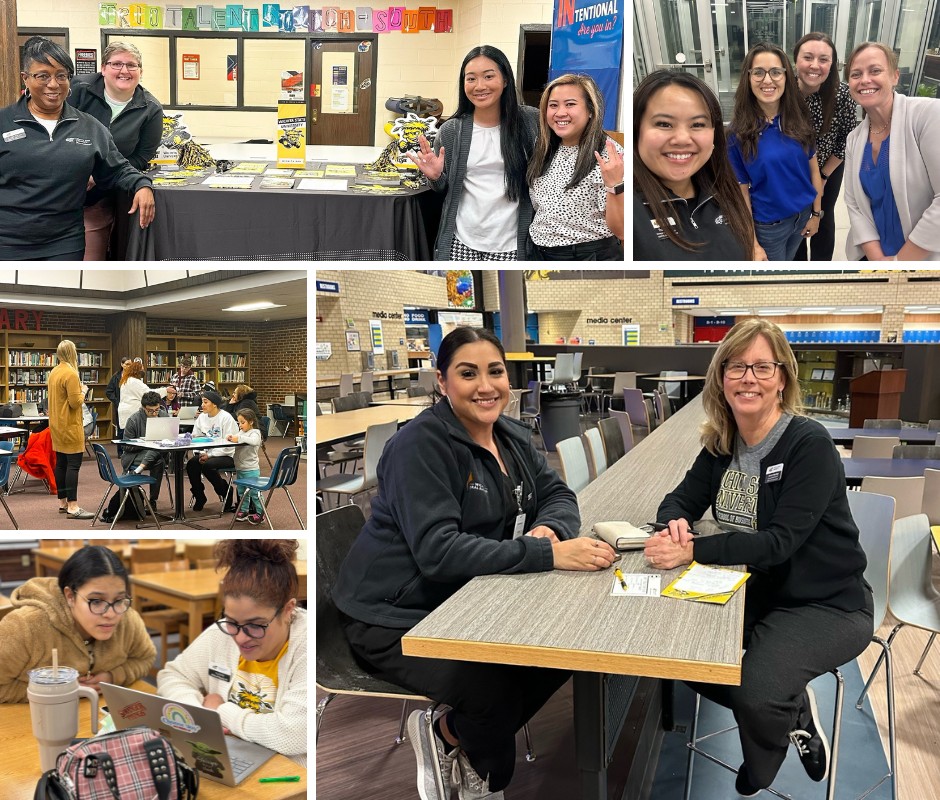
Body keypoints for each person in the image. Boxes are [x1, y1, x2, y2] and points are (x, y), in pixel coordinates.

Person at [333, 326, 617, 800]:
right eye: (468, 373)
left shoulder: (510, 434)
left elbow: (559, 495)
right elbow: (439, 551)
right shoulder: (419, 447)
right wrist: (545, 553)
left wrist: (550, 530)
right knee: (493, 690)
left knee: (563, 652)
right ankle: (474, 769)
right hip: (390, 615)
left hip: (459, 597)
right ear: (442, 382)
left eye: (495, 371)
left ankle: (453, 735)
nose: (486, 386)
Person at [644, 317, 873, 796]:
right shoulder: (722, 442)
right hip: (759, 591)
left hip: (826, 602)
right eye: (737, 367)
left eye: (762, 367)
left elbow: (778, 543)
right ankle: (792, 707)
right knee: (672, 653)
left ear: (782, 379)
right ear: (720, 377)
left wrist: (691, 551)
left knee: (756, 693)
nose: (748, 378)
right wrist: (675, 524)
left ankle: (773, 740)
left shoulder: (808, 444)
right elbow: (679, 500)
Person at [0, 37, 154, 260]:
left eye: (61, 76)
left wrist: (142, 185)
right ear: (26, 79)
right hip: (7, 242)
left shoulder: (90, 127)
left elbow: (118, 169)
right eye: (43, 76)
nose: (53, 84)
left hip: (64, 243)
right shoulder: (4, 122)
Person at [157, 539, 306, 766]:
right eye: (232, 622)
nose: (240, 637)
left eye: (255, 625)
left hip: (286, 770)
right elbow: (172, 676)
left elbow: (293, 734)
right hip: (228, 759)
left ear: (288, 610)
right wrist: (199, 714)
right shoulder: (222, 635)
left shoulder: (305, 645)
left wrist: (220, 712)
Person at [408, 45, 539, 261]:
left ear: (505, 79)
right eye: (471, 79)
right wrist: (435, 178)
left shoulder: (531, 122)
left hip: (512, 246)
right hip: (462, 243)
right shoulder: (451, 130)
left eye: (488, 76)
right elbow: (444, 190)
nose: (480, 86)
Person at [0, 545, 156, 702]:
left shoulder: (128, 618)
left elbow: (145, 657)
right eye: (96, 601)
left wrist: (113, 677)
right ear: (70, 596)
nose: (111, 614)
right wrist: (60, 692)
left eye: (119, 600)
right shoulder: (24, 626)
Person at [633, 70, 756, 260]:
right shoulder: (628, 209)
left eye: (697, 124)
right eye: (664, 124)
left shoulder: (724, 191)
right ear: (637, 130)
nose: (682, 139)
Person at [843, 42, 940, 260]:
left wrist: (899, 263)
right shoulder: (854, 139)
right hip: (874, 256)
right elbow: (854, 205)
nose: (865, 80)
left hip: (925, 258)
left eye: (875, 71)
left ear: (895, 76)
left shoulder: (928, 116)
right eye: (856, 74)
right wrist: (878, 260)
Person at [70, 41, 163, 261]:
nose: (124, 71)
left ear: (141, 71)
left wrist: (101, 176)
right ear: (103, 68)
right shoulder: (76, 90)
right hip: (59, 187)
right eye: (116, 64)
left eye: (132, 65)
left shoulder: (151, 109)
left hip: (101, 195)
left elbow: (141, 157)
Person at [729, 43, 823, 260]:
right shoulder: (738, 134)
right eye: (759, 72)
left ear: (786, 77)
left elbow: (814, 172)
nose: (768, 80)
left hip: (803, 217)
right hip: (770, 226)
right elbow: (741, 193)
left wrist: (816, 214)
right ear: (748, 77)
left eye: (776, 72)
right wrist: (752, 243)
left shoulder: (798, 118)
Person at [526, 74, 623, 260]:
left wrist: (615, 184)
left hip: (586, 255)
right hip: (537, 251)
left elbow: (621, 230)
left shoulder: (610, 154)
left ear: (590, 110)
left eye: (570, 104)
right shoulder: (543, 147)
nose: (560, 112)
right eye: (553, 105)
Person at [792, 33, 858, 261]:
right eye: (808, 57)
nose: (814, 66)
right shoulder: (784, 92)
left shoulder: (843, 94)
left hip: (830, 164)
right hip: (793, 170)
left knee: (824, 214)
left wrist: (822, 176)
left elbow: (846, 140)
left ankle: (822, 267)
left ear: (832, 63)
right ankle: (798, 268)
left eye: (823, 59)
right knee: (796, 217)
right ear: (796, 60)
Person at [102, 390, 167, 523]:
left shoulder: (163, 416)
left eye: (157, 410)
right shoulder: (134, 419)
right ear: (143, 408)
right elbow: (126, 446)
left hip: (156, 455)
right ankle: (151, 501)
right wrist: (144, 442)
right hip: (134, 455)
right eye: (151, 411)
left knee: (157, 457)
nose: (155, 413)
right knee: (155, 452)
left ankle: (152, 499)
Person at [48, 339, 94, 519]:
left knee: (61, 464)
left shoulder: (54, 372)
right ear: (72, 353)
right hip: (70, 426)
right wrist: (84, 390)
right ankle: (73, 507)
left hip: (57, 426)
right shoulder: (71, 373)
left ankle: (63, 502)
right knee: (73, 466)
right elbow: (75, 403)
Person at [186, 389, 238, 511]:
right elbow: (196, 437)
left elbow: (229, 446)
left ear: (214, 404)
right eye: (202, 402)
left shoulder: (226, 418)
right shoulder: (202, 418)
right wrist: (201, 453)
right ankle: (200, 496)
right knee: (191, 464)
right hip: (206, 453)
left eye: (205, 402)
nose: (202, 405)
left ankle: (225, 490)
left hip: (227, 454)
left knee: (208, 466)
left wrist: (210, 455)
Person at [225, 408, 264, 525]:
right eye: (239, 423)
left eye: (243, 422)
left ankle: (261, 513)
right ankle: (244, 510)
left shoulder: (255, 432)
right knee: (242, 491)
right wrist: (231, 437)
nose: (240, 425)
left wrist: (239, 438)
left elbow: (254, 441)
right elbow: (236, 436)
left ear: (251, 422)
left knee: (254, 493)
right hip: (240, 468)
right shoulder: (241, 432)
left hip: (251, 469)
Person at [116, 360, 154, 432]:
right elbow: (149, 394)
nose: (143, 371)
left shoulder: (126, 380)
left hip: (124, 412)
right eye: (142, 369)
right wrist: (165, 390)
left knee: (124, 437)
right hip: (132, 413)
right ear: (137, 371)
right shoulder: (134, 382)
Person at [105, 356, 131, 435]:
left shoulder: (134, 376)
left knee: (131, 429)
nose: (129, 366)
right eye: (127, 364)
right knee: (121, 430)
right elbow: (108, 391)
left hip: (131, 406)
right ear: (122, 364)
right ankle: (120, 447)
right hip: (120, 407)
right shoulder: (116, 377)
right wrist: (117, 401)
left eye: (130, 364)